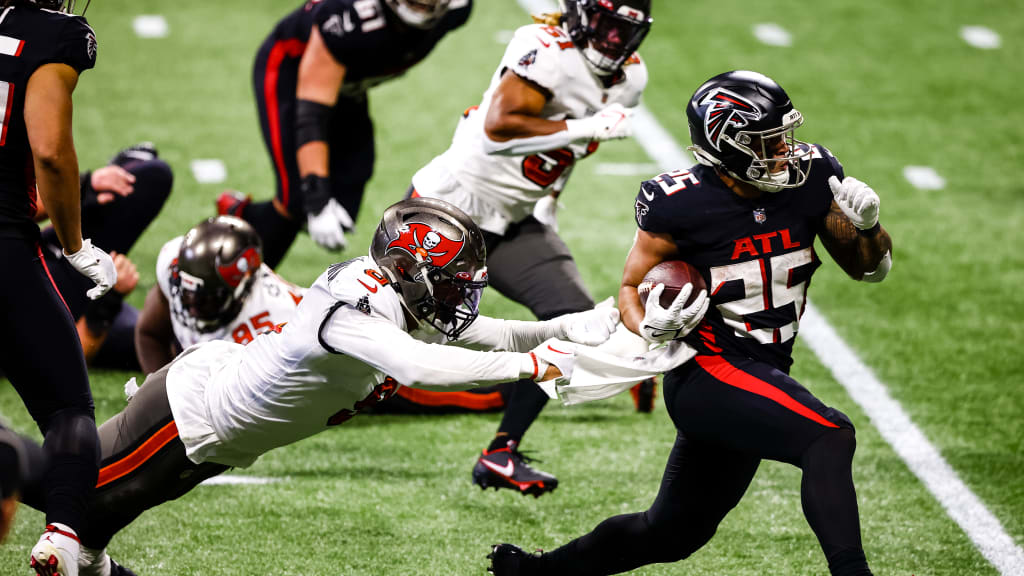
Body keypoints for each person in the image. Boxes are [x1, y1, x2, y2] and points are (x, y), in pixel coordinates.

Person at [24, 197, 618, 574]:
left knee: (90, 528)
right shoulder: (354, 302)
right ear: (410, 273)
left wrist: (575, 327)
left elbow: (497, 333)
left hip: (220, 435)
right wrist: (538, 367)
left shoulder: (403, 304)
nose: (461, 296)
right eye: (452, 281)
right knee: (65, 487)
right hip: (191, 413)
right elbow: (418, 369)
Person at [487, 70, 892, 576]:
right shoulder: (679, 202)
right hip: (707, 372)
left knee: (672, 533)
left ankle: (536, 573)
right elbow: (631, 289)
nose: (785, 151)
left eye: (783, 138)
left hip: (760, 373)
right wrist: (648, 327)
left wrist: (870, 228)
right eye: (767, 143)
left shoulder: (810, 178)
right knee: (829, 434)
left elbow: (867, 268)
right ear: (728, 144)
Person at [409, 0, 652, 496]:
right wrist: (586, 126)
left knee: (573, 320)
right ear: (581, 15)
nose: (613, 41)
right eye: (606, 26)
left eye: (625, 30)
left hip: (515, 220)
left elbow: (566, 154)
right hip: (450, 208)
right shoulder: (543, 47)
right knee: (395, 341)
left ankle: (500, 454)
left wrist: (550, 202)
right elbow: (498, 131)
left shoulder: (631, 77)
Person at [217, 0, 473, 268]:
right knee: (297, 200)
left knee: (349, 188)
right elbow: (311, 116)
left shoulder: (457, 9)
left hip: (349, 84)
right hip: (294, 71)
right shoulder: (348, 18)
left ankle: (240, 215)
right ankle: (240, 282)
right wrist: (315, 201)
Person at [0, 0, 118, 574]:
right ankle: (64, 537)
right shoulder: (52, 33)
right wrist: (75, 245)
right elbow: (49, 149)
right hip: (2, 243)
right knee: (69, 408)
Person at [36, 143, 172, 370]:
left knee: (152, 176)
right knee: (166, 346)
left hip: (45, 251)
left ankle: (118, 170)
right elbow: (63, 363)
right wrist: (107, 303)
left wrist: (82, 188)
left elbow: (12, 208)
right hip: (74, 309)